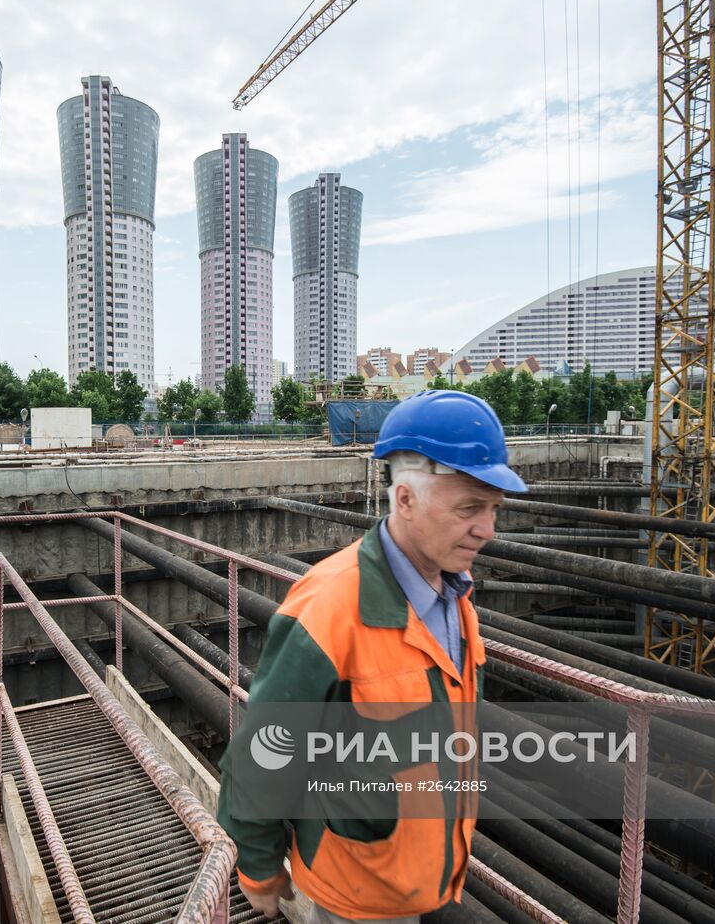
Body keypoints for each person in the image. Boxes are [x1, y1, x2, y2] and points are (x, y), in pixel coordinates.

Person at [217, 389, 528, 922]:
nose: (487, 529)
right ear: (404, 499)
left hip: (430, 874)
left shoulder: (456, 598)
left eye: (494, 509)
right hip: (359, 893)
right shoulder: (331, 606)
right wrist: (259, 869)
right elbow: (263, 755)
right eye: (469, 508)